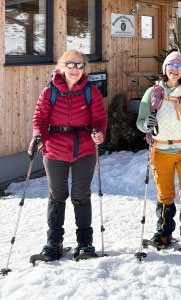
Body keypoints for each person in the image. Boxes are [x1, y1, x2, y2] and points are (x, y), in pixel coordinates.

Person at [29, 49, 107, 260]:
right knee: (57, 195)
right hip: (54, 151)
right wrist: (38, 136)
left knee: (81, 195)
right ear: (62, 66)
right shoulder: (49, 91)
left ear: (84, 68)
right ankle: (54, 242)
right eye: (70, 64)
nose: (74, 69)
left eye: (79, 65)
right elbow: (40, 119)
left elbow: (100, 118)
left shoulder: (91, 91)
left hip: (84, 150)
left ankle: (85, 243)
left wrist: (99, 132)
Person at [136, 51, 181, 257]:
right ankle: (163, 233)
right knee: (164, 194)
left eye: (179, 65)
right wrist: (146, 125)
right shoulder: (152, 92)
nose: (175, 69)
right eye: (171, 64)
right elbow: (141, 122)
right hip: (160, 151)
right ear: (165, 68)